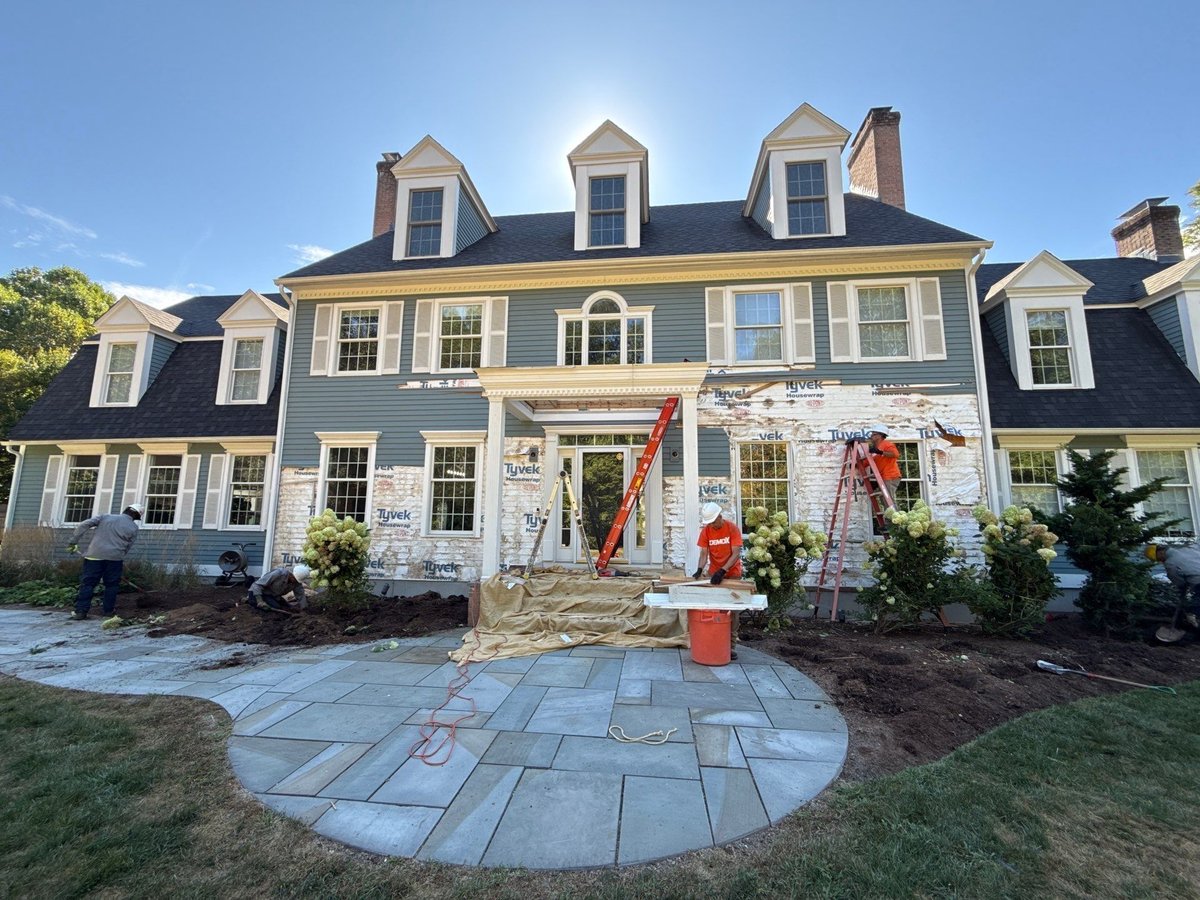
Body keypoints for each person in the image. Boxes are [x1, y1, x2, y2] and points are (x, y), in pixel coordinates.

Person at [67, 503, 143, 620]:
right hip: (115, 559)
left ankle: (81, 612)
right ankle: (108, 612)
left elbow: (84, 524)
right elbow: (128, 546)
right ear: (136, 516)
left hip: (94, 556)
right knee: (111, 585)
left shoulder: (105, 517)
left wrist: (73, 541)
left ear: (126, 510)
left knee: (88, 584)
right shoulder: (133, 527)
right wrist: (118, 555)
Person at [692, 501, 744, 659]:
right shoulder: (706, 531)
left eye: (714, 522)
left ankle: (730, 646)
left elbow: (736, 553)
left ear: (720, 516)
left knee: (732, 611)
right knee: (712, 607)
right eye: (709, 523)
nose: (712, 525)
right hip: (714, 574)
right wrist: (700, 569)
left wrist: (723, 570)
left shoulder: (732, 528)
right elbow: (703, 553)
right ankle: (714, 641)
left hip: (732, 573)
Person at [1147, 544, 1200, 631]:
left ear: (1160, 552)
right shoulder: (1187, 549)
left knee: (1196, 607)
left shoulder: (1170, 563)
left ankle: (1193, 619)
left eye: (1158, 559)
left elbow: (1179, 582)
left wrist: (1182, 588)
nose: (1160, 561)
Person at [866, 424, 902, 504]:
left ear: (880, 435)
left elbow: (895, 454)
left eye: (873, 434)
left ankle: (894, 513)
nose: (871, 436)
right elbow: (868, 462)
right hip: (883, 477)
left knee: (888, 500)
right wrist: (856, 465)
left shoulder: (887, 444)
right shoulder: (874, 449)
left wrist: (880, 452)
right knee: (884, 499)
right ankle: (890, 512)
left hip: (891, 476)